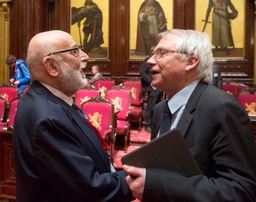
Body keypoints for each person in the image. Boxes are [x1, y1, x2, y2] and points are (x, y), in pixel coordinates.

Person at [123, 29, 256, 202]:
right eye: (152, 54)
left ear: (191, 62)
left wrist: (159, 185)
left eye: (161, 53)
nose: (149, 61)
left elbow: (241, 191)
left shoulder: (222, 108)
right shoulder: (159, 109)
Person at [12, 30, 134, 202]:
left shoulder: (44, 100)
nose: (85, 57)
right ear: (52, 66)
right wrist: (135, 179)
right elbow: (90, 189)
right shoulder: (48, 118)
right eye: (74, 51)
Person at [139, 46, 162, 133]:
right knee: (151, 106)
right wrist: (151, 82)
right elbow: (142, 72)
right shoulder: (148, 60)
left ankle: (153, 124)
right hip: (153, 87)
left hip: (159, 86)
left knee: (157, 106)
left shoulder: (158, 61)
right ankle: (147, 125)